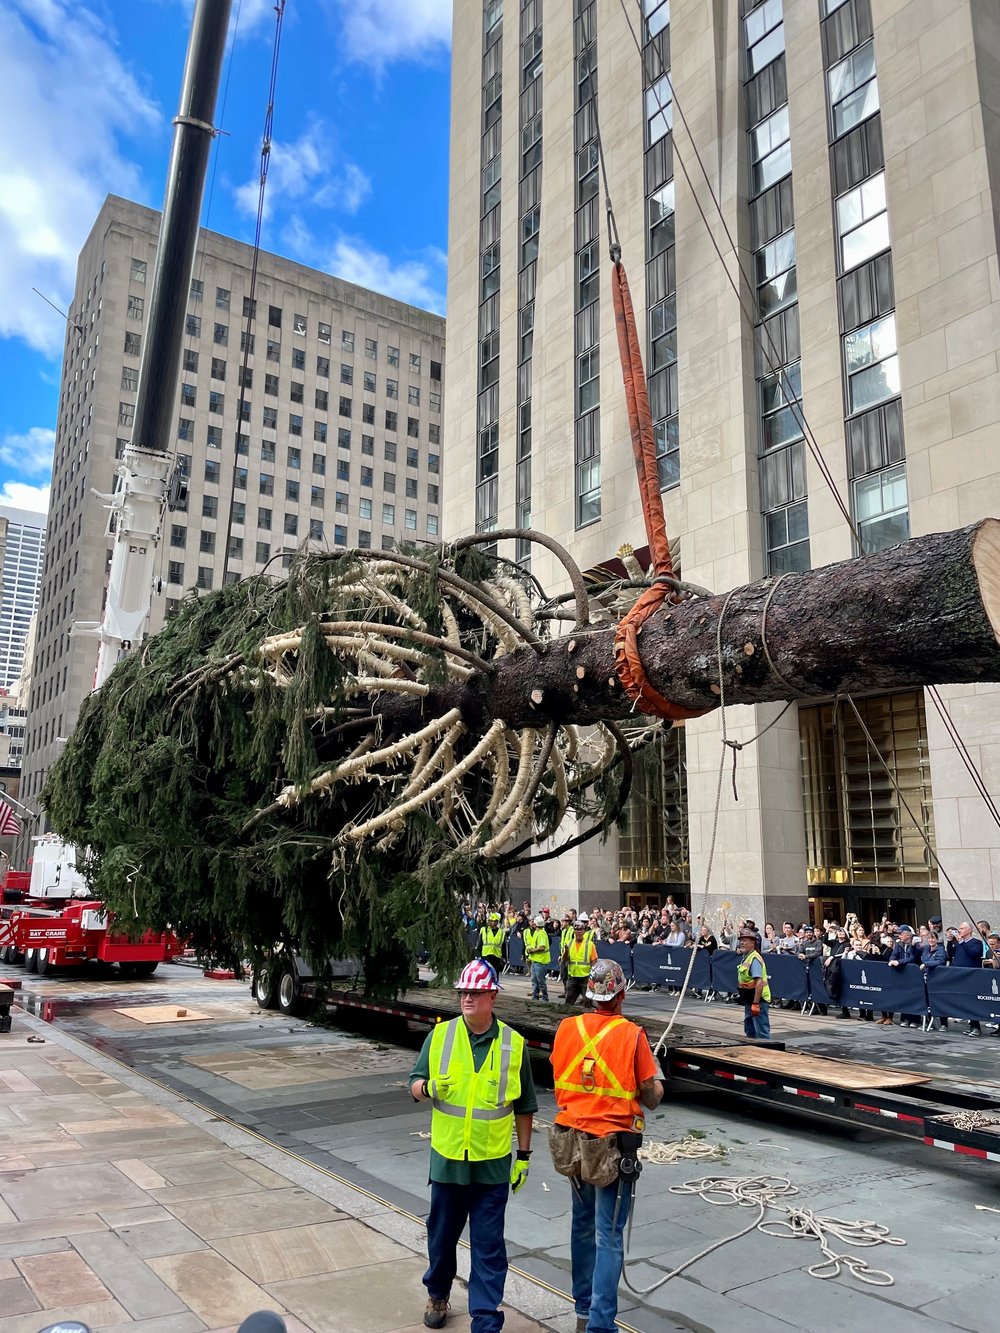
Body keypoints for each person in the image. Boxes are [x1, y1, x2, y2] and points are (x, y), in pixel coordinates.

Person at [409, 960, 536, 1332]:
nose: (466, 998)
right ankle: (437, 1292)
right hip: (448, 1162)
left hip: (492, 1165)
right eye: (463, 992)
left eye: (474, 993)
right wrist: (428, 1088)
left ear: (492, 996)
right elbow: (414, 1084)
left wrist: (524, 1156)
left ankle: (485, 1318)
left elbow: (524, 1105)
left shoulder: (514, 1044)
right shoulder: (441, 1035)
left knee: (489, 1247)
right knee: (442, 1238)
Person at [550, 959, 663, 1333]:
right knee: (608, 1235)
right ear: (621, 995)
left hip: (571, 1141)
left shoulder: (567, 1028)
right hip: (611, 1148)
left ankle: (583, 1310)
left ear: (591, 995)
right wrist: (655, 1075)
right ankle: (600, 1326)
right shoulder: (632, 1035)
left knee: (582, 1228)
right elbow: (651, 1096)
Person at [954, 921, 989, 1035]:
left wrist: (962, 943)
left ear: (969, 930)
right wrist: (951, 942)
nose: (960, 930)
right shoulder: (960, 943)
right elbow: (951, 953)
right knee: (965, 1001)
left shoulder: (976, 943)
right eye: (959, 928)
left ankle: (976, 1027)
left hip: (972, 976)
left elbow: (973, 953)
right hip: (960, 976)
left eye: (962, 928)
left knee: (972, 1001)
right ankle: (971, 1025)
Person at [736, 927, 771, 1037]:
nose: (741, 943)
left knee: (761, 1032)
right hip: (749, 999)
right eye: (741, 940)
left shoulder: (754, 958)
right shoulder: (746, 957)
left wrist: (755, 1004)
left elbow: (759, 982)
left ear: (753, 943)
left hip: (758, 1000)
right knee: (750, 1030)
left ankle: (767, 1053)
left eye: (745, 940)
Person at [887, 925, 922, 1028]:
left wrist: (899, 962)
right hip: (903, 974)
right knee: (904, 995)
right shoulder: (899, 944)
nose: (900, 936)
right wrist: (892, 960)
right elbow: (893, 954)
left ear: (908, 934)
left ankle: (915, 1019)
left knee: (914, 996)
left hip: (913, 974)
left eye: (901, 934)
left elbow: (912, 957)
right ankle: (905, 1018)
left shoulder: (915, 944)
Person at [564, 919, 598, 1007]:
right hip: (573, 976)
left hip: (585, 977)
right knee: (568, 1002)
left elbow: (594, 961)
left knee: (587, 1003)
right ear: (574, 931)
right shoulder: (569, 943)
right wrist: (566, 952)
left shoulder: (590, 945)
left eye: (581, 930)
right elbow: (565, 959)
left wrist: (592, 975)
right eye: (577, 930)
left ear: (584, 931)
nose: (579, 932)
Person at [524, 915, 551, 1001]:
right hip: (535, 960)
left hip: (540, 961)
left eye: (534, 922)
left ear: (536, 924)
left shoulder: (542, 933)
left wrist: (532, 951)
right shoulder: (537, 932)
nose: (532, 924)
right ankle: (535, 998)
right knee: (534, 981)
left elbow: (541, 947)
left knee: (541, 981)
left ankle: (545, 999)